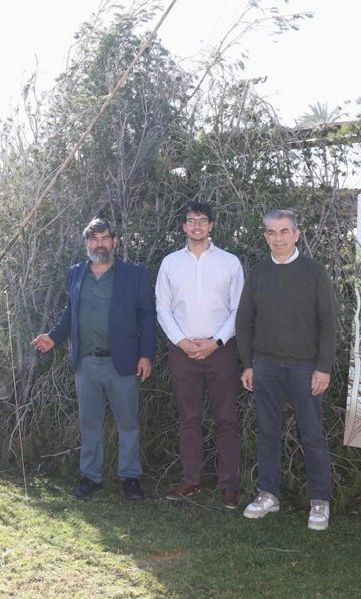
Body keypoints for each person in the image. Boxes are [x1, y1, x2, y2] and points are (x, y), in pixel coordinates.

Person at [32, 217, 155, 502]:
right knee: (89, 423)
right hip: (86, 363)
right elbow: (70, 311)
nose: (100, 244)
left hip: (122, 362)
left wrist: (146, 355)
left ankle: (131, 478)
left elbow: (147, 315)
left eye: (105, 238)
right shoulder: (76, 273)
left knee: (128, 423)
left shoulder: (134, 275)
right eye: (94, 239)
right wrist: (53, 337)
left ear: (115, 241)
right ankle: (90, 477)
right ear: (86, 243)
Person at [236, 209, 337, 531]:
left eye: (284, 231)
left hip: (305, 367)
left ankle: (320, 500)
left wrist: (323, 367)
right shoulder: (258, 273)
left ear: (296, 234)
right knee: (267, 432)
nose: (277, 238)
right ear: (265, 236)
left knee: (312, 435)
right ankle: (268, 494)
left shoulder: (314, 271)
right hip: (265, 365)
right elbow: (244, 321)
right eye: (271, 232)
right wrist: (248, 364)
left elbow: (328, 323)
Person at [155, 202, 245, 509]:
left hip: (221, 351)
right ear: (183, 226)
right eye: (191, 221)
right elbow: (163, 307)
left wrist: (216, 341)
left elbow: (239, 309)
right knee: (189, 419)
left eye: (202, 221)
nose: (196, 226)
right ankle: (190, 480)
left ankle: (229, 486)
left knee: (226, 420)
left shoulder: (229, 262)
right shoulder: (170, 263)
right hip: (182, 352)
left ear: (211, 226)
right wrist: (182, 341)